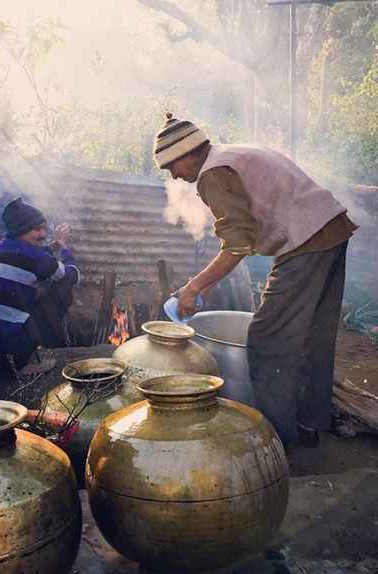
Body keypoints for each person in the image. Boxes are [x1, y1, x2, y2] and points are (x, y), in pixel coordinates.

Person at [153, 112, 357, 447]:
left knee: (267, 337)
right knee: (313, 335)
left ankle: (275, 440)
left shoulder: (213, 173)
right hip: (331, 229)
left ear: (190, 153)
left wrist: (193, 287)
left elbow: (238, 244)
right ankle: (308, 424)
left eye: (173, 166)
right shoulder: (234, 153)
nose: (174, 176)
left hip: (306, 242)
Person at [0, 198, 81, 376]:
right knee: (57, 290)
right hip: (7, 349)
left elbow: (28, 255)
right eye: (37, 229)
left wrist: (51, 246)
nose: (42, 234)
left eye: (43, 229)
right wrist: (64, 247)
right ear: (21, 230)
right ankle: (21, 365)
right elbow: (72, 276)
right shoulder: (35, 257)